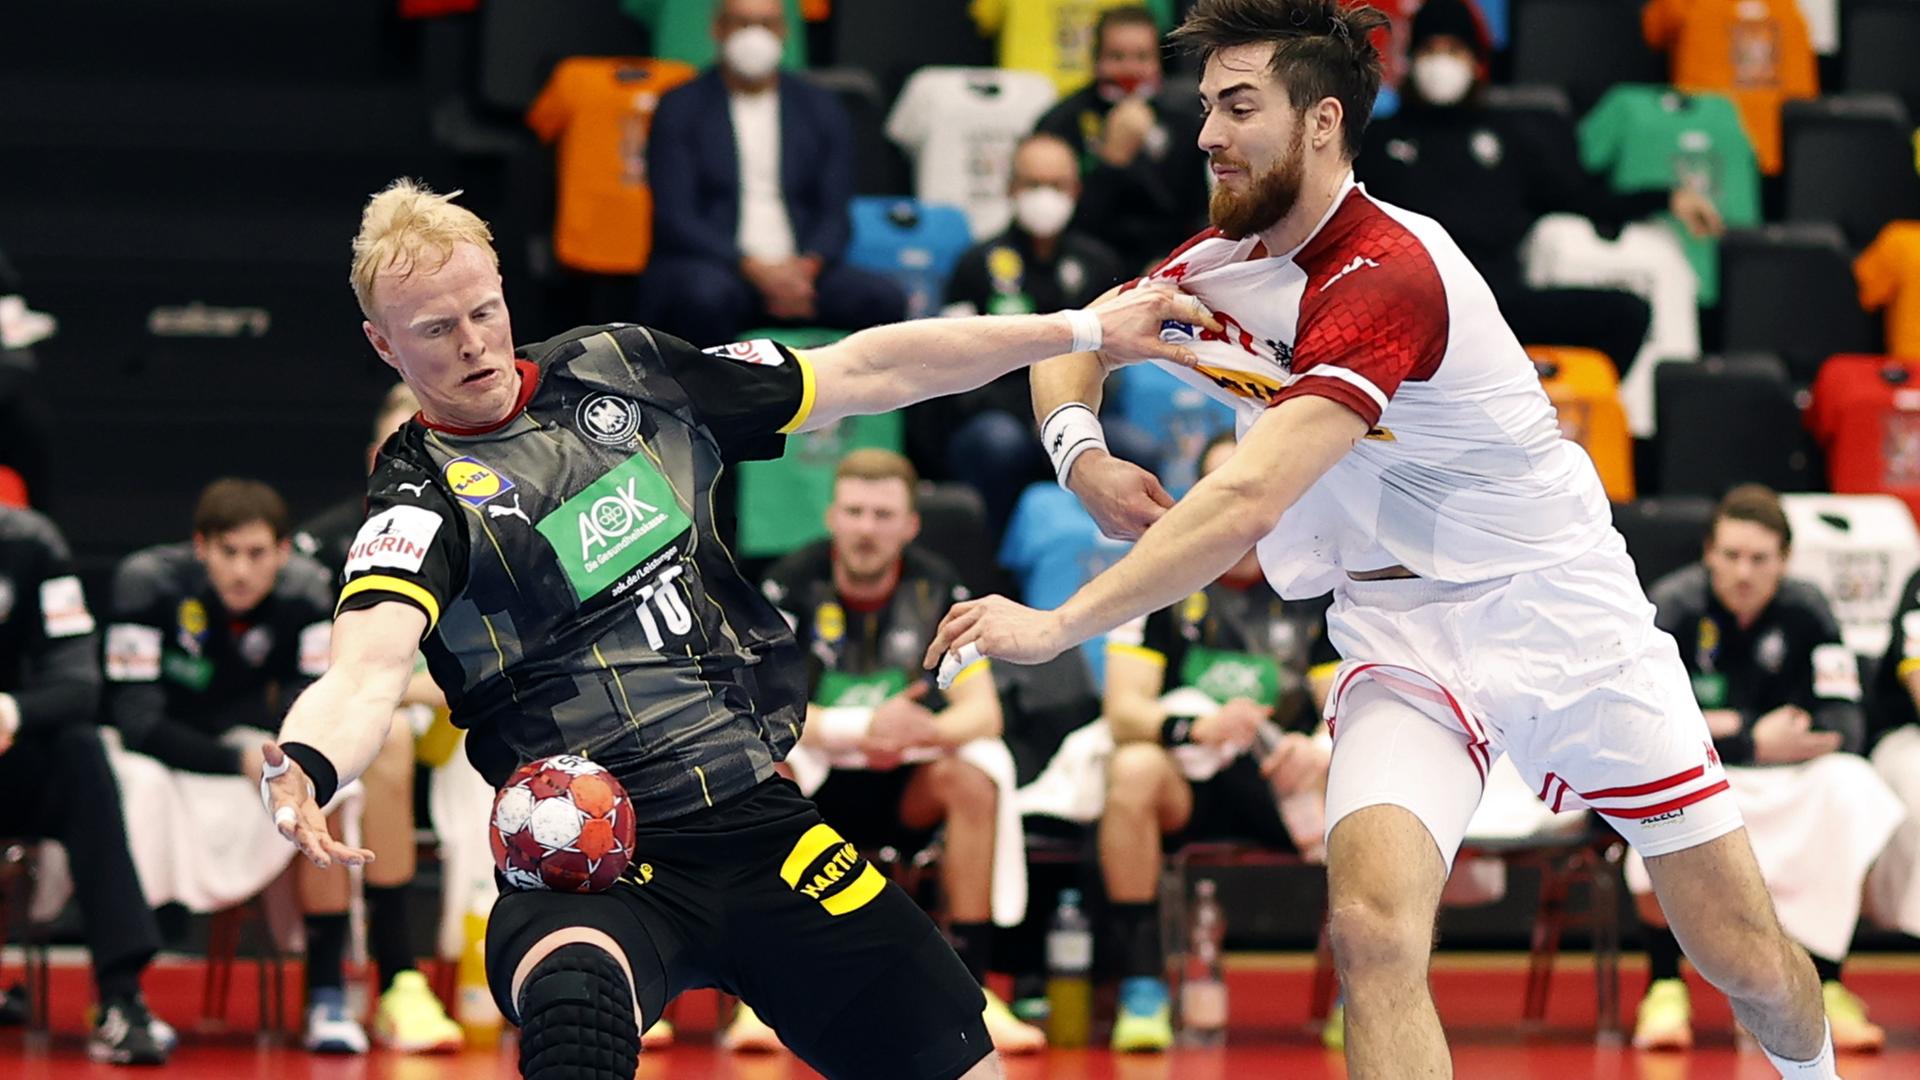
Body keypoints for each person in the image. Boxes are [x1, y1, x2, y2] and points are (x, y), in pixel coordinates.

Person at [927, 2, 1843, 1075]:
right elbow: (1069, 344)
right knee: (1371, 930)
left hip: (1558, 615)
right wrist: (1082, 456)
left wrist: (1058, 625)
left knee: (1740, 957)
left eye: (1237, 106)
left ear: (1321, 121)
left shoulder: (1393, 272)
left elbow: (1247, 503)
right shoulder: (1217, 262)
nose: (1205, 134)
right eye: (1204, 107)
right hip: (1398, 632)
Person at [255, 178, 1203, 1080]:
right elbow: (368, 665)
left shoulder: (624, 373)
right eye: (434, 330)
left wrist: (1077, 331)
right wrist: (309, 760)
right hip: (591, 851)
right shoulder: (418, 500)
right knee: (576, 1003)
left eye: (483, 310)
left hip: (757, 818)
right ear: (384, 346)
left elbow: (868, 367)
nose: (472, 344)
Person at [722, 448, 1046, 1054]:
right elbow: (756, 712)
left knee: (973, 781)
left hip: (905, 784)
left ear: (909, 524)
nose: (867, 528)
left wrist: (918, 732)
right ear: (832, 517)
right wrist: (862, 726)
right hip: (815, 791)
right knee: (766, 776)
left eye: (882, 514)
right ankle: (754, 1002)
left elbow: (984, 714)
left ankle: (975, 989)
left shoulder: (942, 591)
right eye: (855, 511)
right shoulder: (784, 586)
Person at [102, 478, 418, 1054]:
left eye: (257, 554)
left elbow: (312, 699)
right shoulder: (145, 583)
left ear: (280, 551)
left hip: (251, 746)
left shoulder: (306, 591)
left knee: (332, 793)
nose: (242, 571)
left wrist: (274, 756)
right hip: (158, 753)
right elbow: (135, 721)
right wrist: (236, 758)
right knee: (129, 788)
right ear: (201, 547)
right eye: (228, 553)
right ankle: (125, 996)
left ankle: (325, 996)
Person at [1634, 485, 1901, 1053]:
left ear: (1785, 560)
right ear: (1708, 553)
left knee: (1851, 786)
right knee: (1651, 796)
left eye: (1759, 559)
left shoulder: (1808, 610)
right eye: (1731, 556)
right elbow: (1651, 727)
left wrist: (1734, 728)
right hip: (1703, 774)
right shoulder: (1673, 607)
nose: (1744, 572)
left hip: (1791, 777)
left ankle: (1827, 983)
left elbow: (1846, 722)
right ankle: (1663, 986)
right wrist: (1757, 736)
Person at [1098, 432, 1337, 1051]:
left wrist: (1315, 748)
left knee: (1357, 771)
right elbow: (1124, 711)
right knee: (1132, 768)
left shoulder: (1316, 583)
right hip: (1191, 784)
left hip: (1280, 782)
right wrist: (1193, 727)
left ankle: (1359, 990)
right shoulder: (1158, 577)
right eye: (1218, 485)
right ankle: (1144, 983)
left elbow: (1345, 705)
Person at [1353, 0, 1679, 378]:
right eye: (1430, 50)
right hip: (1408, 307)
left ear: (1476, 63)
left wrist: (1667, 197)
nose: (1441, 63)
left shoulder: (1510, 139)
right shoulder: (1374, 141)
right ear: (1410, 61)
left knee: (1625, 313)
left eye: (1454, 51)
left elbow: (1582, 198)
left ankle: (1534, 412)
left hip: (1496, 304)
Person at [291, 384, 468, 1054]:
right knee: (362, 745)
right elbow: (326, 677)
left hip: (477, 720)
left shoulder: (493, 530)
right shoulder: (322, 546)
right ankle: (386, 981)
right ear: (378, 457)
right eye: (406, 446)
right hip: (389, 719)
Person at [0, 507, 172, 1064]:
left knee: (81, 750)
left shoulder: (29, 544)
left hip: (7, 752)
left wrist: (10, 711)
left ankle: (123, 999)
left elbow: (78, 683)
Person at [638, 0, 906, 345]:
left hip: (804, 273)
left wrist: (805, 269)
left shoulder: (821, 108)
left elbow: (835, 213)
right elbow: (676, 218)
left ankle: (862, 400)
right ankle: (713, 398)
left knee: (882, 299)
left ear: (784, 32)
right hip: (718, 267)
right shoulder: (680, 106)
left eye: (767, 24)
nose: (755, 36)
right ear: (717, 30)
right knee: (703, 297)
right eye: (742, 23)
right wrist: (756, 270)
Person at [937, 133, 1131, 532]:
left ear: (1075, 190)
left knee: (1136, 446)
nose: (1046, 196)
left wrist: (1066, 415)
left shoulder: (1098, 265)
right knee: (999, 444)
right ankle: (999, 560)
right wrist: (1034, 415)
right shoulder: (976, 265)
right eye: (1033, 184)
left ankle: (1121, 557)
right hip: (997, 416)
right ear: (1011, 188)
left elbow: (1118, 359)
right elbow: (953, 365)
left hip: (1080, 408)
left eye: (1057, 185)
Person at [1034, 5, 1210, 273]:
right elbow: (1061, 221)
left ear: (1158, 62)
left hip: (1168, 262)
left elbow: (1197, 212)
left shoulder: (1188, 120)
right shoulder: (1061, 122)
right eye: (1116, 56)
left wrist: (1171, 261)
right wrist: (1111, 161)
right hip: (1085, 266)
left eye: (1141, 57)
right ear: (1096, 59)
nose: (1130, 69)